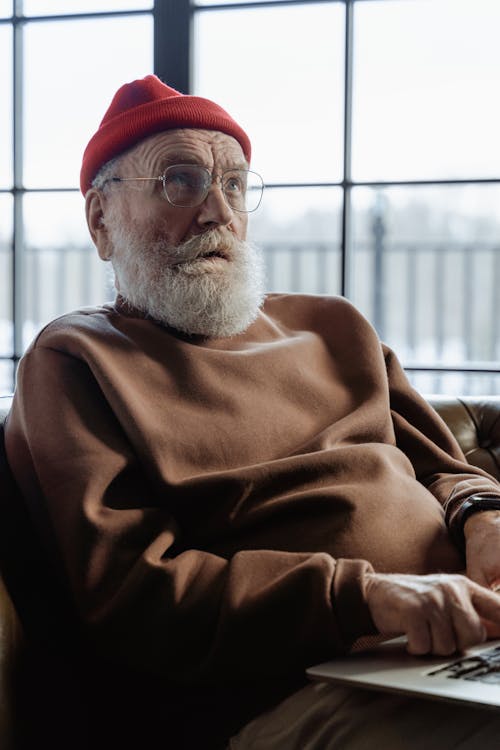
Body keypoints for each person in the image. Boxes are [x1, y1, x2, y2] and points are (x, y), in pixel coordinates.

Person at [4, 74, 500, 750]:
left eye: (234, 184)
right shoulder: (75, 361)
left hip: (463, 647)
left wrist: (482, 518)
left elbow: (448, 470)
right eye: (181, 181)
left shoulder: (336, 326)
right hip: (297, 693)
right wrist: (363, 596)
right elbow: (134, 599)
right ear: (100, 220)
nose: (217, 213)